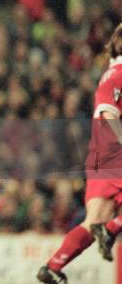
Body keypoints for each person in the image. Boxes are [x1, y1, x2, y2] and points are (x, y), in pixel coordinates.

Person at [38, 23, 122, 284]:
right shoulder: (119, 74)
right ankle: (111, 230)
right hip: (113, 152)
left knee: (94, 220)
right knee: (104, 224)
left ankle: (53, 267)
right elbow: (109, 115)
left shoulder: (112, 72)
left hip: (101, 154)